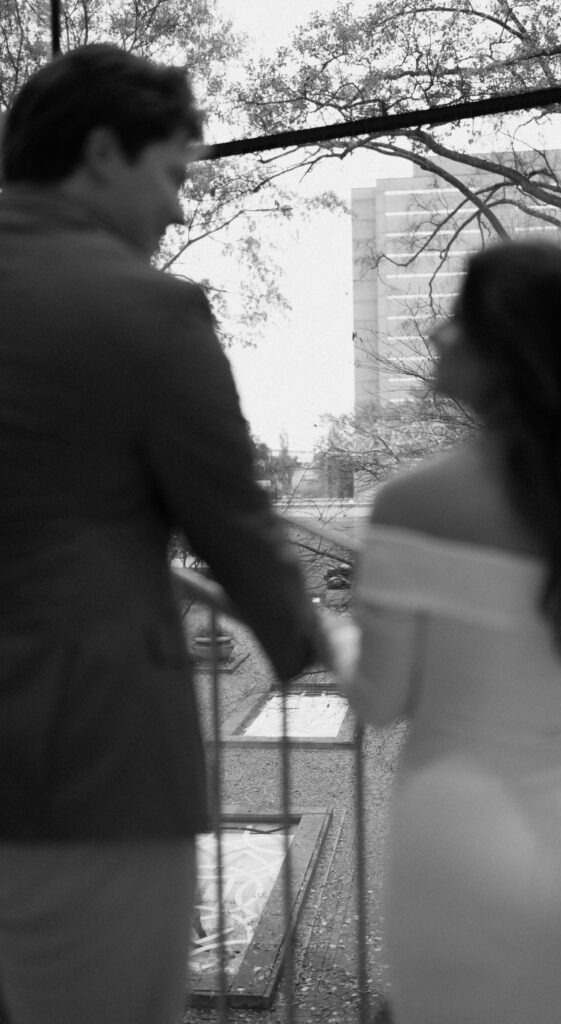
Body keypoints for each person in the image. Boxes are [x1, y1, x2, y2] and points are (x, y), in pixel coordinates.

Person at [0, 44, 320, 1024]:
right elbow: (235, 525)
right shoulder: (145, 308)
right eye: (173, 175)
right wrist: (320, 647)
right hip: (84, 764)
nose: (179, 209)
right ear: (102, 153)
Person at [326, 242, 561, 1024]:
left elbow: (378, 698)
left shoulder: (413, 504)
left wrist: (322, 630)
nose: (440, 336)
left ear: (507, 351)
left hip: (458, 849)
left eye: (458, 320)